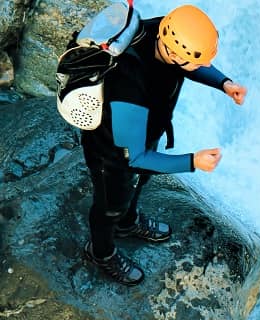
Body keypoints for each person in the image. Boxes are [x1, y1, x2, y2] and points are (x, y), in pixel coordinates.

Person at [81, 4, 247, 285]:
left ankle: (127, 222)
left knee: (140, 182)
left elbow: (191, 63)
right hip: (112, 151)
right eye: (196, 62)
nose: (202, 67)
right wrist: (192, 161)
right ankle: (101, 251)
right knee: (110, 203)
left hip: (146, 129)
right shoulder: (128, 82)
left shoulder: (162, 30)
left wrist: (223, 83)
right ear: (172, 52)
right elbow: (133, 158)